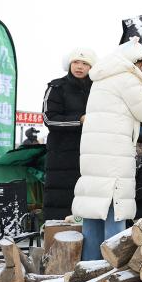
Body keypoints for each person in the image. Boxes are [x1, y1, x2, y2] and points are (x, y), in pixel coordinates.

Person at [72, 38, 142, 260]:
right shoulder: (127, 78)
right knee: (115, 211)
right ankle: (113, 268)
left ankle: (88, 268)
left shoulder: (101, 79)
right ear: (134, 62)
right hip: (115, 156)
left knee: (93, 212)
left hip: (94, 157)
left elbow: (124, 111)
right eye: (141, 64)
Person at [41, 48, 96, 221]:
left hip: (90, 153)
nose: (79, 67)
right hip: (61, 156)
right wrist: (78, 120)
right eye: (76, 62)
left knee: (88, 202)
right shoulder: (56, 86)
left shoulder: (98, 89)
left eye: (85, 63)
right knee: (60, 201)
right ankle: (57, 235)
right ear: (69, 64)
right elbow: (49, 119)